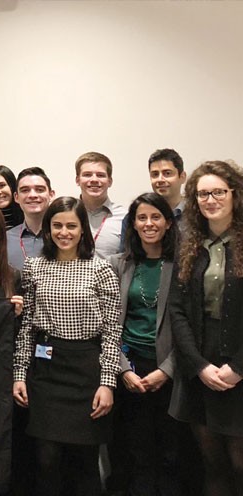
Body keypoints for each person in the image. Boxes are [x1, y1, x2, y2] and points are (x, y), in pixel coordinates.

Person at [12, 196, 120, 496]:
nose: (64, 232)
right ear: (47, 230)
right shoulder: (34, 267)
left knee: (85, 462)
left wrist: (107, 382)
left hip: (87, 371)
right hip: (46, 370)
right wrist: (20, 374)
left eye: (71, 226)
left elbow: (112, 332)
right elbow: (27, 328)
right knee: (46, 459)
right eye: (57, 225)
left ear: (83, 229)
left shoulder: (101, 270)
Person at [169, 160, 243, 495]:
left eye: (218, 192)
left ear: (234, 195)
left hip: (238, 363)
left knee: (239, 462)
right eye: (202, 194)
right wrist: (198, 366)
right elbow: (177, 310)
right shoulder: (190, 243)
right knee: (211, 462)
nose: (210, 199)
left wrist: (238, 368)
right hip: (202, 363)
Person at [106, 192, 187, 495]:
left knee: (171, 453)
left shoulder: (183, 266)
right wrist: (124, 368)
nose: (148, 223)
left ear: (168, 223)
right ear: (133, 224)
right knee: (134, 452)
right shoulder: (118, 265)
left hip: (170, 370)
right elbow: (110, 324)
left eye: (156, 217)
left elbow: (190, 328)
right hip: (129, 369)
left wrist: (166, 370)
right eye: (142, 217)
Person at [74, 151, 127, 259]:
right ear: (77, 180)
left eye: (100, 175)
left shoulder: (125, 217)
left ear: (110, 181)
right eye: (87, 175)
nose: (94, 180)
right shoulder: (66, 214)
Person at [7, 167, 55, 270]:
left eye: (40, 190)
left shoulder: (64, 236)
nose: (32, 195)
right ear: (16, 197)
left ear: (51, 195)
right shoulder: (5, 239)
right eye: (25, 190)